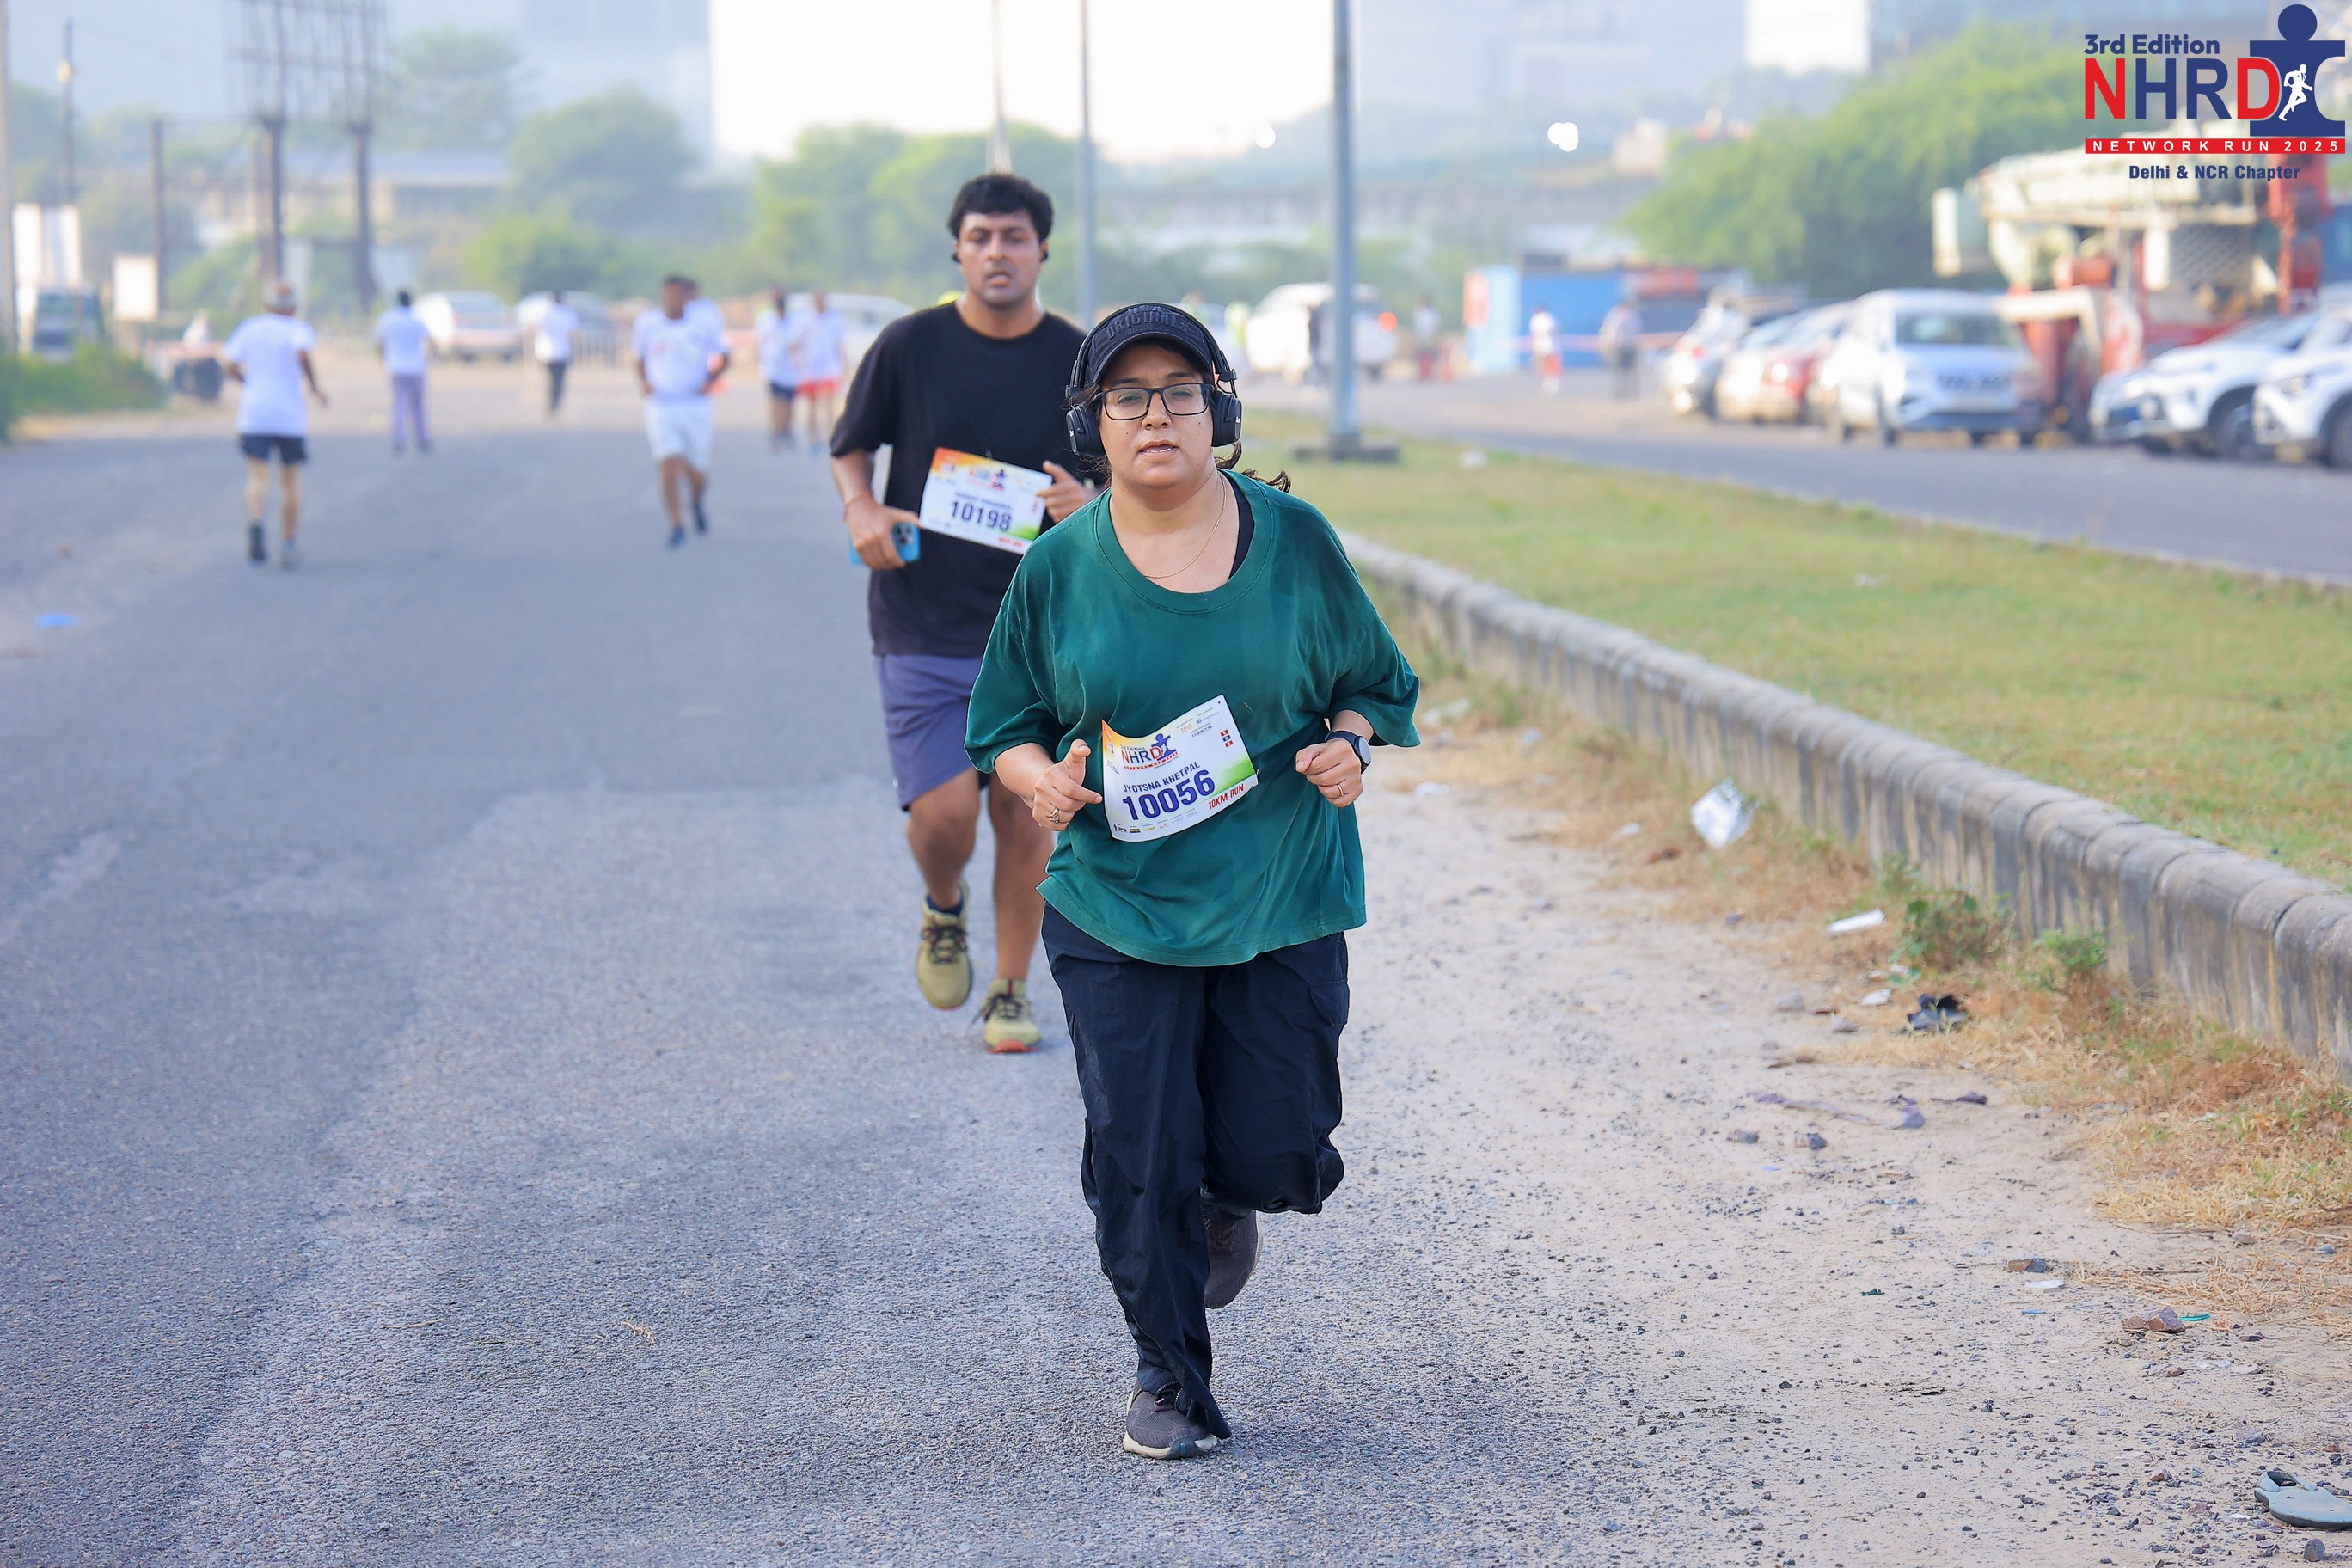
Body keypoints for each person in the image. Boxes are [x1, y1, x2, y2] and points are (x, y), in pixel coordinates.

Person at [966, 302, 1420, 1461]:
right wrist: (1038, 781)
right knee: (1142, 1150)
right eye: (1128, 397)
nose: (1155, 415)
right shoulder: (1058, 569)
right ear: (1094, 425)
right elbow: (1005, 725)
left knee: (1278, 1146)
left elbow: (1376, 683)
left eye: (1179, 391)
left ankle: (1219, 1187)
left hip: (1277, 891)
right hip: (1116, 901)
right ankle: (1167, 1375)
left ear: (1219, 410)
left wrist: (1349, 745)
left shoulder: (1295, 539)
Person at [829, 173, 1093, 1053]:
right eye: (980, 237)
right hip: (922, 620)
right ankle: (944, 906)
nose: (996, 253)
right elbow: (850, 447)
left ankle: (1011, 990)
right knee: (944, 816)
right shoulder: (910, 345)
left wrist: (1090, 501)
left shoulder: (1079, 360)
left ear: (1042, 250)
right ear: (958, 250)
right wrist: (862, 510)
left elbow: (1132, 472)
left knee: (1025, 814)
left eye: (1013, 237)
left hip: (1040, 634)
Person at [224, 280, 329, 569]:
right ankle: (288, 543)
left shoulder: (251, 328)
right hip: (289, 416)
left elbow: (229, 363)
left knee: (258, 477)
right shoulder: (298, 330)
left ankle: (256, 521)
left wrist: (247, 381)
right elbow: (303, 354)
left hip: (256, 413)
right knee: (291, 481)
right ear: (294, 306)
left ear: (267, 304)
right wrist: (314, 387)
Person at [632, 275, 730, 548]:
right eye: (669, 294)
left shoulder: (703, 323)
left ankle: (696, 501)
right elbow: (639, 358)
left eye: (679, 295)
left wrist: (710, 381)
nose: (674, 300)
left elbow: (724, 356)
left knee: (697, 472)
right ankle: (677, 523)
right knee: (668, 463)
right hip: (662, 405)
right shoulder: (648, 324)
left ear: (687, 297)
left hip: (695, 405)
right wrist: (645, 382)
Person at [374, 288, 431, 455]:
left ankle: (399, 439)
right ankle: (422, 438)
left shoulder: (388, 319)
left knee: (398, 405)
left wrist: (383, 361)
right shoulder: (416, 318)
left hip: (396, 367)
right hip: (416, 367)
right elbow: (430, 341)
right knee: (418, 406)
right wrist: (426, 359)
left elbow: (379, 344)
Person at [791, 289, 848, 450]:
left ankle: (831, 437)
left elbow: (840, 344)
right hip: (810, 369)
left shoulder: (835, 319)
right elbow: (795, 343)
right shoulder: (804, 319)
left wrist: (844, 366)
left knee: (829, 405)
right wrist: (797, 363)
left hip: (829, 368)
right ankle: (813, 439)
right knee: (812, 405)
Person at [755, 287, 799, 451]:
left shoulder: (794, 321)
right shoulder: (766, 320)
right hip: (773, 368)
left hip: (791, 369)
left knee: (788, 403)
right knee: (776, 401)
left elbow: (797, 343)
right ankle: (776, 431)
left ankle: (786, 429)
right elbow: (760, 341)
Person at [536, 290, 580, 415]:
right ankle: (554, 406)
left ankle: (549, 405)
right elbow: (573, 333)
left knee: (550, 380)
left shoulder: (543, 312)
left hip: (545, 352)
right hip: (561, 352)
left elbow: (536, 329)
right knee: (558, 382)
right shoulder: (568, 313)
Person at [1598, 298, 1641, 399]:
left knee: (1630, 370)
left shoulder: (1633, 316)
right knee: (1619, 370)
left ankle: (1632, 391)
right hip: (1619, 347)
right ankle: (1620, 391)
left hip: (1630, 346)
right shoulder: (1615, 315)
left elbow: (1637, 330)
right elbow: (1610, 331)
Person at [1529, 307, 1562, 396]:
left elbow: (1537, 333)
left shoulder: (1538, 319)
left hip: (1543, 346)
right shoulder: (1550, 318)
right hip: (1550, 345)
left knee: (1545, 365)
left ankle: (1550, 383)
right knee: (1546, 365)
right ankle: (1550, 382)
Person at [1412, 295, 1443, 380]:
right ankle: (1421, 372)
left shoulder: (1433, 312)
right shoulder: (1418, 312)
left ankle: (1430, 371)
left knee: (1431, 354)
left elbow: (1437, 324)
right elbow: (1416, 325)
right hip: (1421, 336)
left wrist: (1435, 335)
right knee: (1420, 355)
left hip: (1430, 336)